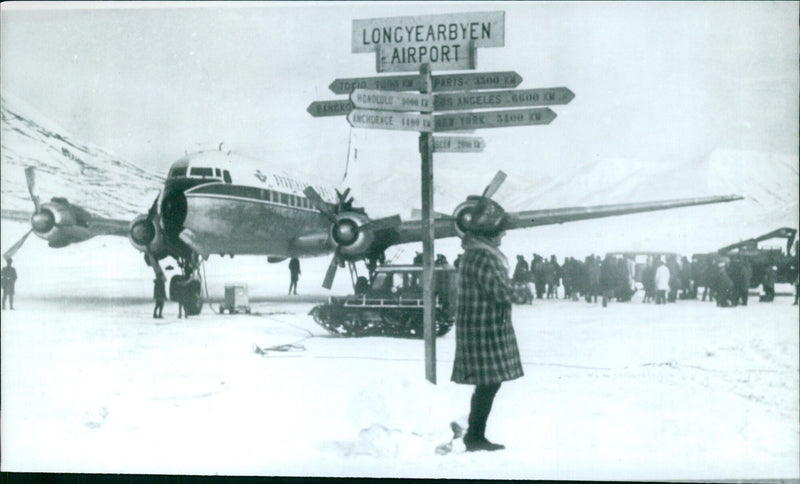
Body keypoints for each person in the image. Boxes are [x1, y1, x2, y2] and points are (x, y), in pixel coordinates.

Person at [451, 197, 523, 452]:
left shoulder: (477, 254)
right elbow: (499, 290)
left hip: (483, 327)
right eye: (500, 230)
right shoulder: (483, 257)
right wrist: (523, 291)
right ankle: (474, 436)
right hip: (484, 330)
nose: (503, 234)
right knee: (489, 383)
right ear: (490, 232)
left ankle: (474, 432)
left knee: (488, 383)